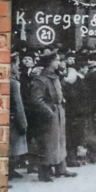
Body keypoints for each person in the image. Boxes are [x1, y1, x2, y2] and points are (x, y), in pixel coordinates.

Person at [27, 52, 71, 181]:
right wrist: (49, 112)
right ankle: (44, 171)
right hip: (49, 114)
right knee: (48, 143)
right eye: (57, 60)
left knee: (60, 140)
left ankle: (61, 167)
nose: (59, 63)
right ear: (50, 62)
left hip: (58, 111)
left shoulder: (55, 77)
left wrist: (62, 102)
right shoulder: (40, 79)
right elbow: (36, 100)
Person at [9, 56, 29, 180]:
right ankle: (9, 171)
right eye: (16, 63)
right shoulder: (14, 83)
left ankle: (11, 170)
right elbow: (18, 105)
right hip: (13, 118)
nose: (18, 66)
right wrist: (23, 123)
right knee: (12, 146)